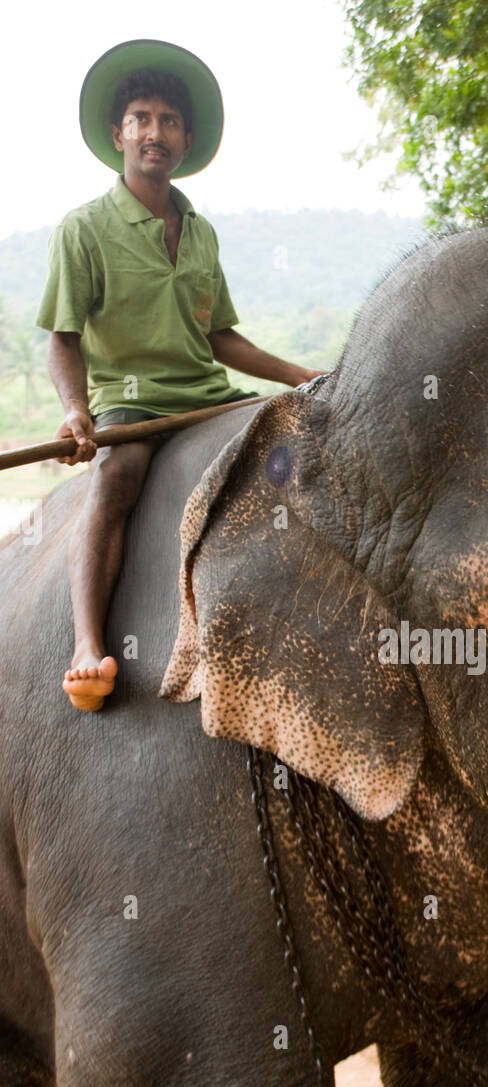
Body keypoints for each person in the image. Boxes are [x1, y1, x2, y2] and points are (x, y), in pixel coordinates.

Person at [38, 40, 323, 712]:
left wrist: (299, 376)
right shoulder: (83, 229)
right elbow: (62, 338)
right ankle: (86, 644)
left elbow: (218, 336)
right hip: (132, 402)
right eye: (140, 118)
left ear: (186, 142)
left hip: (208, 398)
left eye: (169, 121)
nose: (155, 132)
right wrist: (78, 410)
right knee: (116, 476)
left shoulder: (200, 231)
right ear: (118, 135)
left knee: (303, 448)